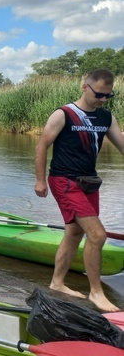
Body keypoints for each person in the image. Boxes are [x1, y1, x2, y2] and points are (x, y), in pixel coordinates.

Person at [35, 69, 124, 312]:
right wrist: (40, 180)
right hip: (64, 181)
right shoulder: (64, 114)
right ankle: (96, 293)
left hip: (88, 182)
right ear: (85, 87)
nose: (103, 99)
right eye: (99, 94)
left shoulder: (106, 117)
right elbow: (42, 146)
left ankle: (57, 283)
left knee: (74, 234)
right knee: (97, 235)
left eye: (108, 95)